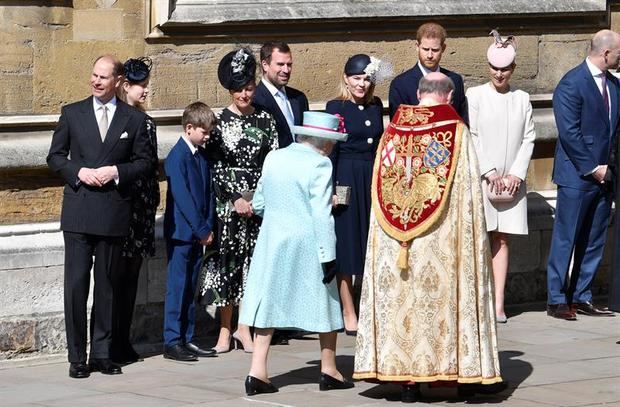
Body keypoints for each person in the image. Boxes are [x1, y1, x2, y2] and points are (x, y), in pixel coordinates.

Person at [354, 73, 504, 403]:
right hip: (441, 243)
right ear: (448, 98)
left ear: (420, 94)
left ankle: (407, 383)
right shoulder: (456, 133)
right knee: (443, 306)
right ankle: (463, 376)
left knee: (403, 307)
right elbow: (467, 200)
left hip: (397, 244)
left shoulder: (391, 132)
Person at [47, 54, 152, 378]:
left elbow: (145, 162)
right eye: (93, 75)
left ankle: (103, 354)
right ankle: (77, 356)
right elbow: (55, 157)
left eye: (103, 77)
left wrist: (115, 171)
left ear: (118, 81)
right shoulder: (72, 113)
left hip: (112, 214)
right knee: (76, 286)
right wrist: (79, 171)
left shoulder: (133, 120)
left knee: (107, 287)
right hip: (79, 212)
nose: (96, 81)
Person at [239, 111, 354, 396]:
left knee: (268, 302)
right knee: (326, 302)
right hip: (307, 241)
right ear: (324, 142)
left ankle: (257, 371)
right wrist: (329, 254)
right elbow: (321, 214)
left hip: (273, 239)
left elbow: (261, 202)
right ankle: (329, 368)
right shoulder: (320, 163)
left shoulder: (274, 157)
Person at [200, 48, 279, 354]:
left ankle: (245, 328)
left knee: (253, 265)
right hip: (229, 205)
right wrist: (234, 198)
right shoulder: (218, 122)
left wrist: (257, 199)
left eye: (249, 89)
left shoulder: (266, 120)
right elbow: (215, 167)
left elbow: (272, 164)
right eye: (239, 90)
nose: (245, 95)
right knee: (228, 264)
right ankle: (224, 330)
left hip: (258, 203)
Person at [547, 29, 620, 320]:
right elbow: (569, 133)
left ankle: (581, 295)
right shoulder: (571, 83)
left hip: (607, 176)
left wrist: (610, 169)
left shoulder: (614, 86)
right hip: (577, 176)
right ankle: (556, 298)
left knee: (594, 239)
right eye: (618, 54)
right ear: (605, 53)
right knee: (567, 237)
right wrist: (594, 168)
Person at [466, 34, 535, 323]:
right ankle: (477, 301)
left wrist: (516, 174)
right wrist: (490, 171)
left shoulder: (522, 98)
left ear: (513, 69)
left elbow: (529, 137)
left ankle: (498, 303)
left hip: (512, 182)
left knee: (502, 238)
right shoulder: (475, 96)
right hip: (484, 177)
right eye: (494, 67)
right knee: (478, 238)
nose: (499, 73)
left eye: (505, 68)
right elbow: (473, 134)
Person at [326, 54, 385, 335]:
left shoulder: (376, 106)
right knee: (347, 245)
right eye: (356, 78)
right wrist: (333, 190)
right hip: (346, 178)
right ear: (346, 79)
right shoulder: (336, 107)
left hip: (370, 177)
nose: (361, 84)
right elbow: (331, 152)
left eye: (366, 78)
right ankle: (348, 311)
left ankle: (369, 307)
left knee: (369, 243)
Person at [111, 57, 160, 364]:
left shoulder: (146, 120)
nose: (145, 90)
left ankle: (123, 339)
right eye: (141, 85)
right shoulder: (118, 120)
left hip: (142, 208)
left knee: (131, 278)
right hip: (123, 209)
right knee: (116, 278)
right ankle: (112, 341)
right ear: (126, 86)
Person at [162, 102, 218, 362]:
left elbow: (207, 193)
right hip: (182, 233)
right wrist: (200, 227)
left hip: (197, 233)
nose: (207, 137)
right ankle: (172, 340)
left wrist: (207, 225)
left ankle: (188, 337)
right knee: (178, 286)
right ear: (189, 128)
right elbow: (183, 198)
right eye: (204, 132)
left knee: (190, 288)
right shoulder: (177, 157)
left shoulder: (200, 155)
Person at [388, 22, 467, 123]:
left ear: (443, 48)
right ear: (417, 46)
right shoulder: (400, 84)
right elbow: (397, 128)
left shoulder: (455, 80)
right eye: (425, 49)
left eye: (435, 50)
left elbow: (462, 122)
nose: (430, 55)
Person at [253, 41, 309, 148]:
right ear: (265, 65)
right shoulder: (254, 100)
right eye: (280, 64)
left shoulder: (299, 98)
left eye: (289, 64)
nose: (286, 70)